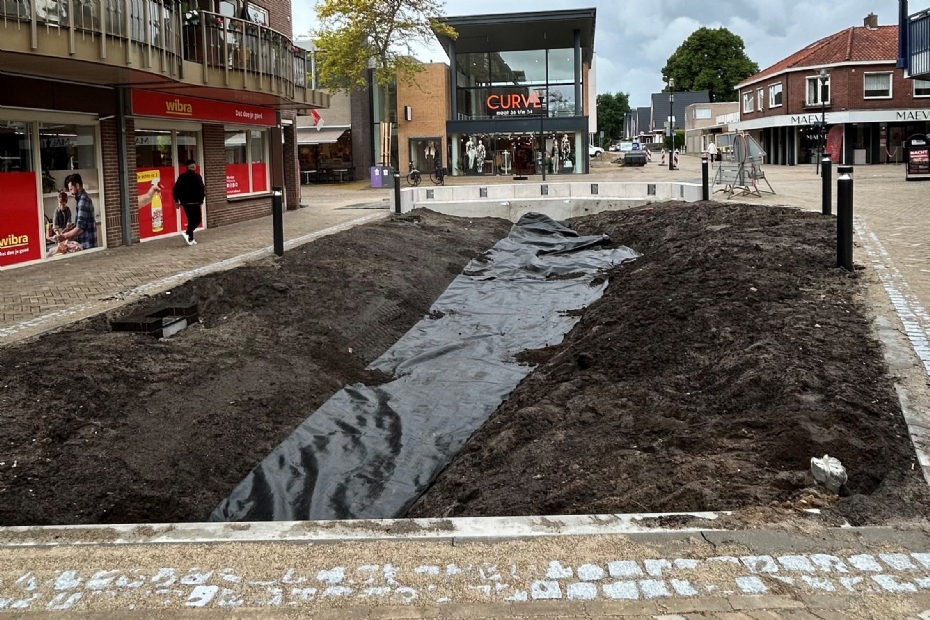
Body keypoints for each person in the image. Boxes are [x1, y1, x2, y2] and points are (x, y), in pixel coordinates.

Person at [50, 174, 96, 257]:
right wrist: (69, 229)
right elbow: (80, 224)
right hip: (85, 243)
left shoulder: (83, 201)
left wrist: (63, 236)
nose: (71, 193)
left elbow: (80, 229)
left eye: (71, 189)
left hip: (87, 244)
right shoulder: (81, 200)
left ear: (77, 186)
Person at [173, 159, 205, 246]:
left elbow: (176, 189)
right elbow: (201, 189)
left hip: (185, 203)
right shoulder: (197, 177)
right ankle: (188, 233)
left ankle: (190, 238)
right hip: (195, 202)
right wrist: (201, 200)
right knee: (197, 219)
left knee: (191, 220)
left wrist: (177, 200)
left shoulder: (181, 177)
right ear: (194, 167)